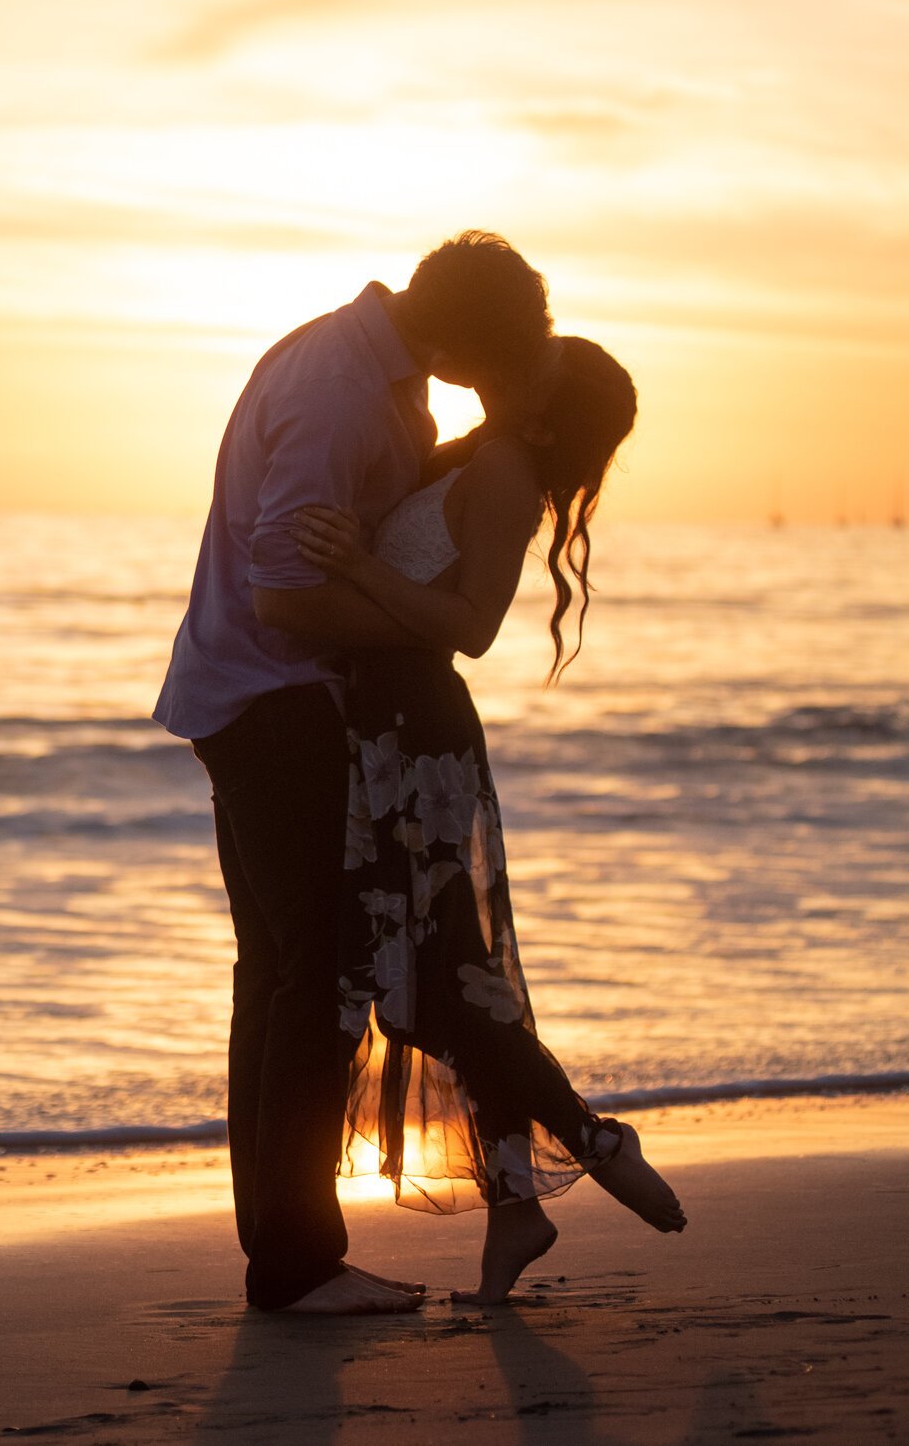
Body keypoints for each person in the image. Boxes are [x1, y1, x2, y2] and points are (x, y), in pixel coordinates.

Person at [153, 232, 558, 1314]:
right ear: (469, 338)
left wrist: (374, 578)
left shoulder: (374, 374)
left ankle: (286, 1253)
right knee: (310, 980)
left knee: (276, 977)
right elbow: (287, 593)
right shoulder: (339, 389)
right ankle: (294, 1262)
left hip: (249, 695)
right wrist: (396, 605)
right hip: (277, 700)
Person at [290, 335, 688, 1305]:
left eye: (535, 366)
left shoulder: (508, 469)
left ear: (545, 413)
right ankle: (519, 1199)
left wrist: (355, 562)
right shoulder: (474, 451)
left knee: (437, 984)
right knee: (438, 981)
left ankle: (592, 1140)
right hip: (380, 732)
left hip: (413, 737)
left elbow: (470, 624)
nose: (511, 361)